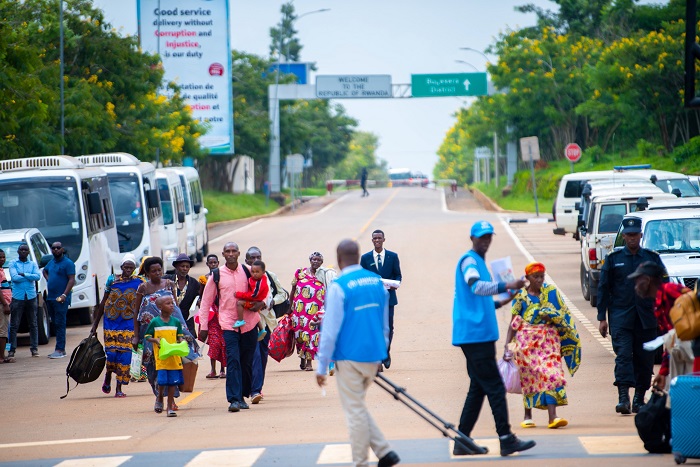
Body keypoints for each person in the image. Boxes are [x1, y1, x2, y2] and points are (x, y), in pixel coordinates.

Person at [452, 220, 535, 457]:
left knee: (478, 388)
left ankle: (462, 440)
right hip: (476, 336)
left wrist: (506, 298)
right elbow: (475, 287)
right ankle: (507, 439)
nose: (486, 241)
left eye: (489, 237)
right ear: (472, 239)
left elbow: (484, 301)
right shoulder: (469, 261)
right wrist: (506, 284)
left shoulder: (480, 262)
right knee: (496, 387)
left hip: (477, 335)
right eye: (481, 237)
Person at [316, 239, 399, 467]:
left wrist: (322, 367)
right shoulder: (377, 282)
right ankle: (384, 451)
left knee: (354, 414)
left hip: (349, 357)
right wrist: (381, 352)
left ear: (339, 259)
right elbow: (385, 325)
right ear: (359, 255)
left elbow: (330, 331)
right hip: (373, 356)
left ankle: (361, 463)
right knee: (358, 407)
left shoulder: (339, 285)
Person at [597, 217, 666, 414]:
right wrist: (602, 317)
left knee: (645, 360)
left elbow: (662, 288)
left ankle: (638, 399)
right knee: (624, 357)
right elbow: (603, 288)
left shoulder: (651, 259)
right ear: (624, 236)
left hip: (647, 319)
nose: (632, 238)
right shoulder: (613, 259)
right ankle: (623, 398)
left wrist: (663, 316)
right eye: (629, 235)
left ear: (641, 235)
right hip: (621, 317)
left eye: (635, 234)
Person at [503, 262, 581, 429]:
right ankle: (527, 415)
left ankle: (553, 416)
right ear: (528, 278)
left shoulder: (551, 293)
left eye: (541, 277)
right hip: (526, 344)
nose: (539, 280)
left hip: (548, 342)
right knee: (529, 377)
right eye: (535, 277)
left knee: (552, 373)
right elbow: (514, 323)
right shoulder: (520, 297)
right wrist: (507, 345)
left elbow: (562, 313)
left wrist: (551, 318)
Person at [198, 242, 266, 412]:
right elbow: (206, 301)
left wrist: (262, 303)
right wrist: (203, 326)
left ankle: (243, 396)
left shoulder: (248, 271)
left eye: (233, 251)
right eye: (227, 251)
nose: (230, 253)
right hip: (228, 324)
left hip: (249, 323)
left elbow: (265, 287)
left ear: (238, 253)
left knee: (247, 361)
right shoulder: (217, 275)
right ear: (223, 254)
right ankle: (234, 399)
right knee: (233, 360)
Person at [134, 256, 194, 409]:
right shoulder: (143, 288)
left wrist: (184, 333)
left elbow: (176, 309)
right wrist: (135, 336)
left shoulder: (168, 284)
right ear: (147, 273)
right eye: (153, 271)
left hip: (170, 333)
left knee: (172, 366)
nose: (157, 273)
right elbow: (136, 313)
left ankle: (171, 401)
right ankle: (159, 397)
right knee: (153, 367)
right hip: (150, 336)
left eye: (159, 270)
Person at [628, 262, 693, 390]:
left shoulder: (670, 290)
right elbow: (669, 345)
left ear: (647, 280)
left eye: (638, 281)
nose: (635, 286)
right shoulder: (658, 306)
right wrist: (663, 373)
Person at [91, 253, 143, 398]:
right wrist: (95, 325)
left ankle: (119, 388)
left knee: (125, 357)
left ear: (134, 268)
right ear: (121, 267)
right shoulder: (112, 280)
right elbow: (103, 302)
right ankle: (108, 374)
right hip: (111, 323)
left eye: (131, 268)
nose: (128, 270)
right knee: (112, 355)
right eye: (126, 267)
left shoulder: (140, 282)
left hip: (129, 324)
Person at [247, 246, 284, 405]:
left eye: (258, 257)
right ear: (246, 260)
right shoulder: (243, 276)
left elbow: (282, 294)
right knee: (252, 355)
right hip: (250, 323)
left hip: (267, 323)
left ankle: (257, 388)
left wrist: (270, 302)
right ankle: (253, 389)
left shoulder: (270, 276)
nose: (255, 260)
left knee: (261, 356)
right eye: (252, 258)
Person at [360, 230, 402, 369]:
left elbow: (398, 275)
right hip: (371, 300)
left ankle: (385, 352)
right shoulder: (365, 258)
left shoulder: (392, 256)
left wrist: (395, 284)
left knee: (389, 328)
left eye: (379, 238)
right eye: (374, 238)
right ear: (372, 240)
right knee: (374, 327)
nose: (377, 240)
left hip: (389, 299)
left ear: (384, 239)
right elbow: (362, 277)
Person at [290, 251, 337, 372]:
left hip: (314, 313)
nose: (315, 262)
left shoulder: (324, 275)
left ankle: (309, 362)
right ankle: (302, 358)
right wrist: (289, 307)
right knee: (299, 336)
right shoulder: (300, 273)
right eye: (313, 259)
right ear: (310, 260)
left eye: (318, 260)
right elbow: (293, 289)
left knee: (311, 335)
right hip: (299, 312)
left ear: (322, 262)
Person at [144, 296, 185, 417]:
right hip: (161, 357)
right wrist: (155, 340)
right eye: (168, 303)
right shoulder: (155, 322)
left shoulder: (176, 322)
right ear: (160, 307)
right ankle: (160, 397)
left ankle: (169, 407)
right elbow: (147, 336)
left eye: (172, 303)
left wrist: (181, 342)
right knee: (162, 381)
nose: (172, 305)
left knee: (173, 382)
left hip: (174, 357)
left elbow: (180, 336)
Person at [7, 243, 41, 360]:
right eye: (21, 250)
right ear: (18, 251)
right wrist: (29, 276)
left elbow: (37, 277)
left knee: (33, 323)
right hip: (18, 297)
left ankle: (34, 349)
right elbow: (14, 278)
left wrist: (24, 274)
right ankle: (11, 350)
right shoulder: (13, 263)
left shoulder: (32, 263)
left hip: (31, 296)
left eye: (25, 250)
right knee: (14, 325)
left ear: (28, 252)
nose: (23, 251)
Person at [43, 241, 76, 359]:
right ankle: (58, 348)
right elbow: (44, 271)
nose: (56, 250)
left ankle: (60, 349)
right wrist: (49, 279)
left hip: (61, 299)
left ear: (62, 249)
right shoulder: (51, 263)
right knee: (55, 323)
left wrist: (64, 295)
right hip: (50, 297)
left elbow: (71, 280)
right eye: (53, 248)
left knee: (60, 323)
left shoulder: (68, 263)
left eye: (58, 248)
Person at [198, 254, 226, 379]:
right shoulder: (204, 279)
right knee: (214, 342)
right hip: (211, 315)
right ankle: (213, 370)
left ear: (218, 263)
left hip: (223, 312)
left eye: (215, 262)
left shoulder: (222, 277)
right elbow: (201, 296)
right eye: (211, 263)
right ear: (207, 264)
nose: (213, 264)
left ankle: (222, 369)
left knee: (223, 342)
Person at [164, 253, 200, 337]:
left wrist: (199, 301)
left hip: (187, 322)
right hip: (169, 322)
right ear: (176, 267)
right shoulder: (166, 280)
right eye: (182, 266)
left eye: (187, 267)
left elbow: (200, 297)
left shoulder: (194, 283)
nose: (185, 269)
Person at [234, 259, 269, 340]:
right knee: (256, 314)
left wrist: (240, 295)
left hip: (255, 301)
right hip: (257, 301)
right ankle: (261, 329)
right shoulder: (260, 279)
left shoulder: (259, 283)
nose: (254, 274)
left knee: (239, 303)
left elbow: (253, 294)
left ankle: (240, 320)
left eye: (257, 272)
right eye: (253, 272)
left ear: (263, 272)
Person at [0, 249, 13, 363]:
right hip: (2, 305)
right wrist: (5, 304)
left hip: (5, 303)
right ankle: (2, 357)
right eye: (0, 257)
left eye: (4, 257)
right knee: (3, 331)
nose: (2, 259)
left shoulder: (2, 270)